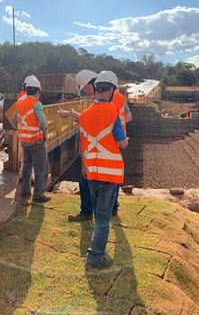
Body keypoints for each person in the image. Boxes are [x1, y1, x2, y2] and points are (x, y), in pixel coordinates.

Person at [59, 70, 132, 220]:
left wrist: (107, 130)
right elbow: (126, 117)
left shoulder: (110, 100)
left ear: (94, 83)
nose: (86, 91)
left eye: (86, 88)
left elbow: (107, 119)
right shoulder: (113, 98)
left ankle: (89, 211)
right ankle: (110, 208)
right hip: (112, 143)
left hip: (103, 145)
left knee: (87, 179)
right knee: (110, 178)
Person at [79, 70, 128, 268]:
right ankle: (95, 256)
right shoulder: (112, 113)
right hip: (109, 175)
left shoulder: (84, 115)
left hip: (91, 173)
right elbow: (121, 143)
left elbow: (82, 145)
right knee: (102, 218)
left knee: (98, 214)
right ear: (112, 90)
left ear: (96, 89)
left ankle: (95, 251)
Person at [11, 75, 51, 203]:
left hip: (24, 141)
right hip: (37, 141)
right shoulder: (36, 104)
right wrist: (42, 128)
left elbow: (13, 120)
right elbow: (43, 123)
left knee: (27, 166)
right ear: (38, 91)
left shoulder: (19, 102)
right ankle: (39, 195)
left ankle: (25, 191)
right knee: (40, 168)